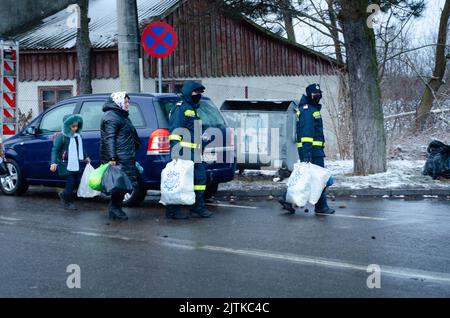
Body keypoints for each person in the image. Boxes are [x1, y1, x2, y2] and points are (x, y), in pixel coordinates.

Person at [279, 83, 335, 215]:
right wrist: (307, 154)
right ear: (310, 95)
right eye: (316, 94)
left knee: (311, 178)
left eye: (319, 93)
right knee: (320, 179)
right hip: (313, 151)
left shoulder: (311, 108)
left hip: (313, 151)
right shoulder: (308, 110)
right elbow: (307, 135)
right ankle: (321, 207)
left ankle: (286, 197)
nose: (318, 96)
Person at [166, 81, 213, 220]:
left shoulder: (192, 109)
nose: (198, 95)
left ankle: (197, 207)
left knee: (199, 180)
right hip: (183, 152)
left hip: (195, 153)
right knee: (180, 181)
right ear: (188, 92)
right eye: (196, 92)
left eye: (199, 93)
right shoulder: (180, 108)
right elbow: (175, 132)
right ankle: (172, 210)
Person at [100, 92, 141, 221]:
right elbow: (109, 138)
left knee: (124, 183)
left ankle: (115, 207)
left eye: (128, 102)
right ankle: (114, 208)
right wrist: (112, 158)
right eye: (125, 102)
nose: (128, 104)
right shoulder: (111, 117)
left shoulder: (122, 116)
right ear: (118, 102)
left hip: (126, 154)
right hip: (118, 156)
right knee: (118, 183)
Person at [50, 114, 90, 210]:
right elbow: (55, 150)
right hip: (64, 163)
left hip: (75, 163)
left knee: (76, 181)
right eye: (73, 126)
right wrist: (53, 163)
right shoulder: (61, 136)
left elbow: (80, 148)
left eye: (77, 126)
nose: (75, 128)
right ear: (67, 126)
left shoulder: (77, 136)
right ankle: (67, 201)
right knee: (71, 182)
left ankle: (64, 194)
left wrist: (86, 156)